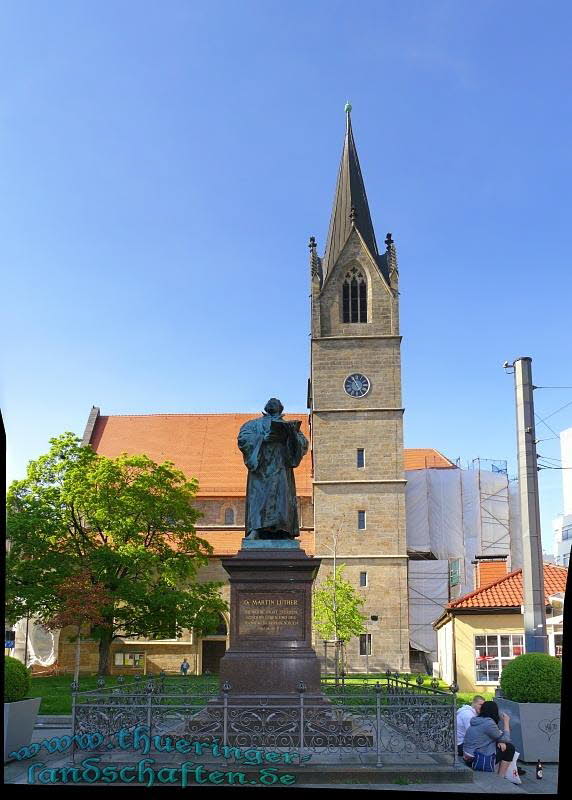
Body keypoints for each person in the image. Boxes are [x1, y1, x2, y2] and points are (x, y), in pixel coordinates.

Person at [237, 398, 308, 540]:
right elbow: (243, 439)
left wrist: (292, 434)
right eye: (270, 402)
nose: (272, 403)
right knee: (259, 499)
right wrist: (262, 438)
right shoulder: (253, 425)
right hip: (261, 469)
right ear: (266, 407)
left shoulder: (289, 426)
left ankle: (284, 531)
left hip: (281, 468)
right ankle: (255, 531)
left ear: (280, 408)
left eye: (275, 402)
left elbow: (303, 444)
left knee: (282, 500)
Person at [462, 700, 522, 778]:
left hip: (468, 757)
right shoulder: (488, 723)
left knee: (503, 745)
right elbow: (506, 739)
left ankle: (500, 774)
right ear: (494, 711)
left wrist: (499, 741)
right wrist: (506, 722)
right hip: (478, 760)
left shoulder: (477, 720)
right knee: (510, 748)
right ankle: (501, 777)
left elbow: (490, 736)